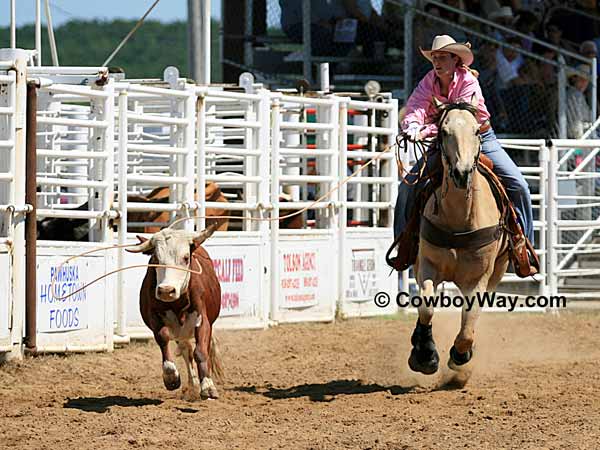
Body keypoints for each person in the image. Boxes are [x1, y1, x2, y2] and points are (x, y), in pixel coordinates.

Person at [394, 35, 534, 247]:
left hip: (480, 138)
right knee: (407, 187)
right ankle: (403, 244)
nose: (437, 62)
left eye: (442, 57)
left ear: (455, 60)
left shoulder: (468, 81)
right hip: (444, 141)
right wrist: (411, 125)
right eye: (435, 58)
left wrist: (423, 131)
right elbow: (415, 107)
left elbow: (459, 119)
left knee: (519, 184)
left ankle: (524, 244)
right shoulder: (428, 80)